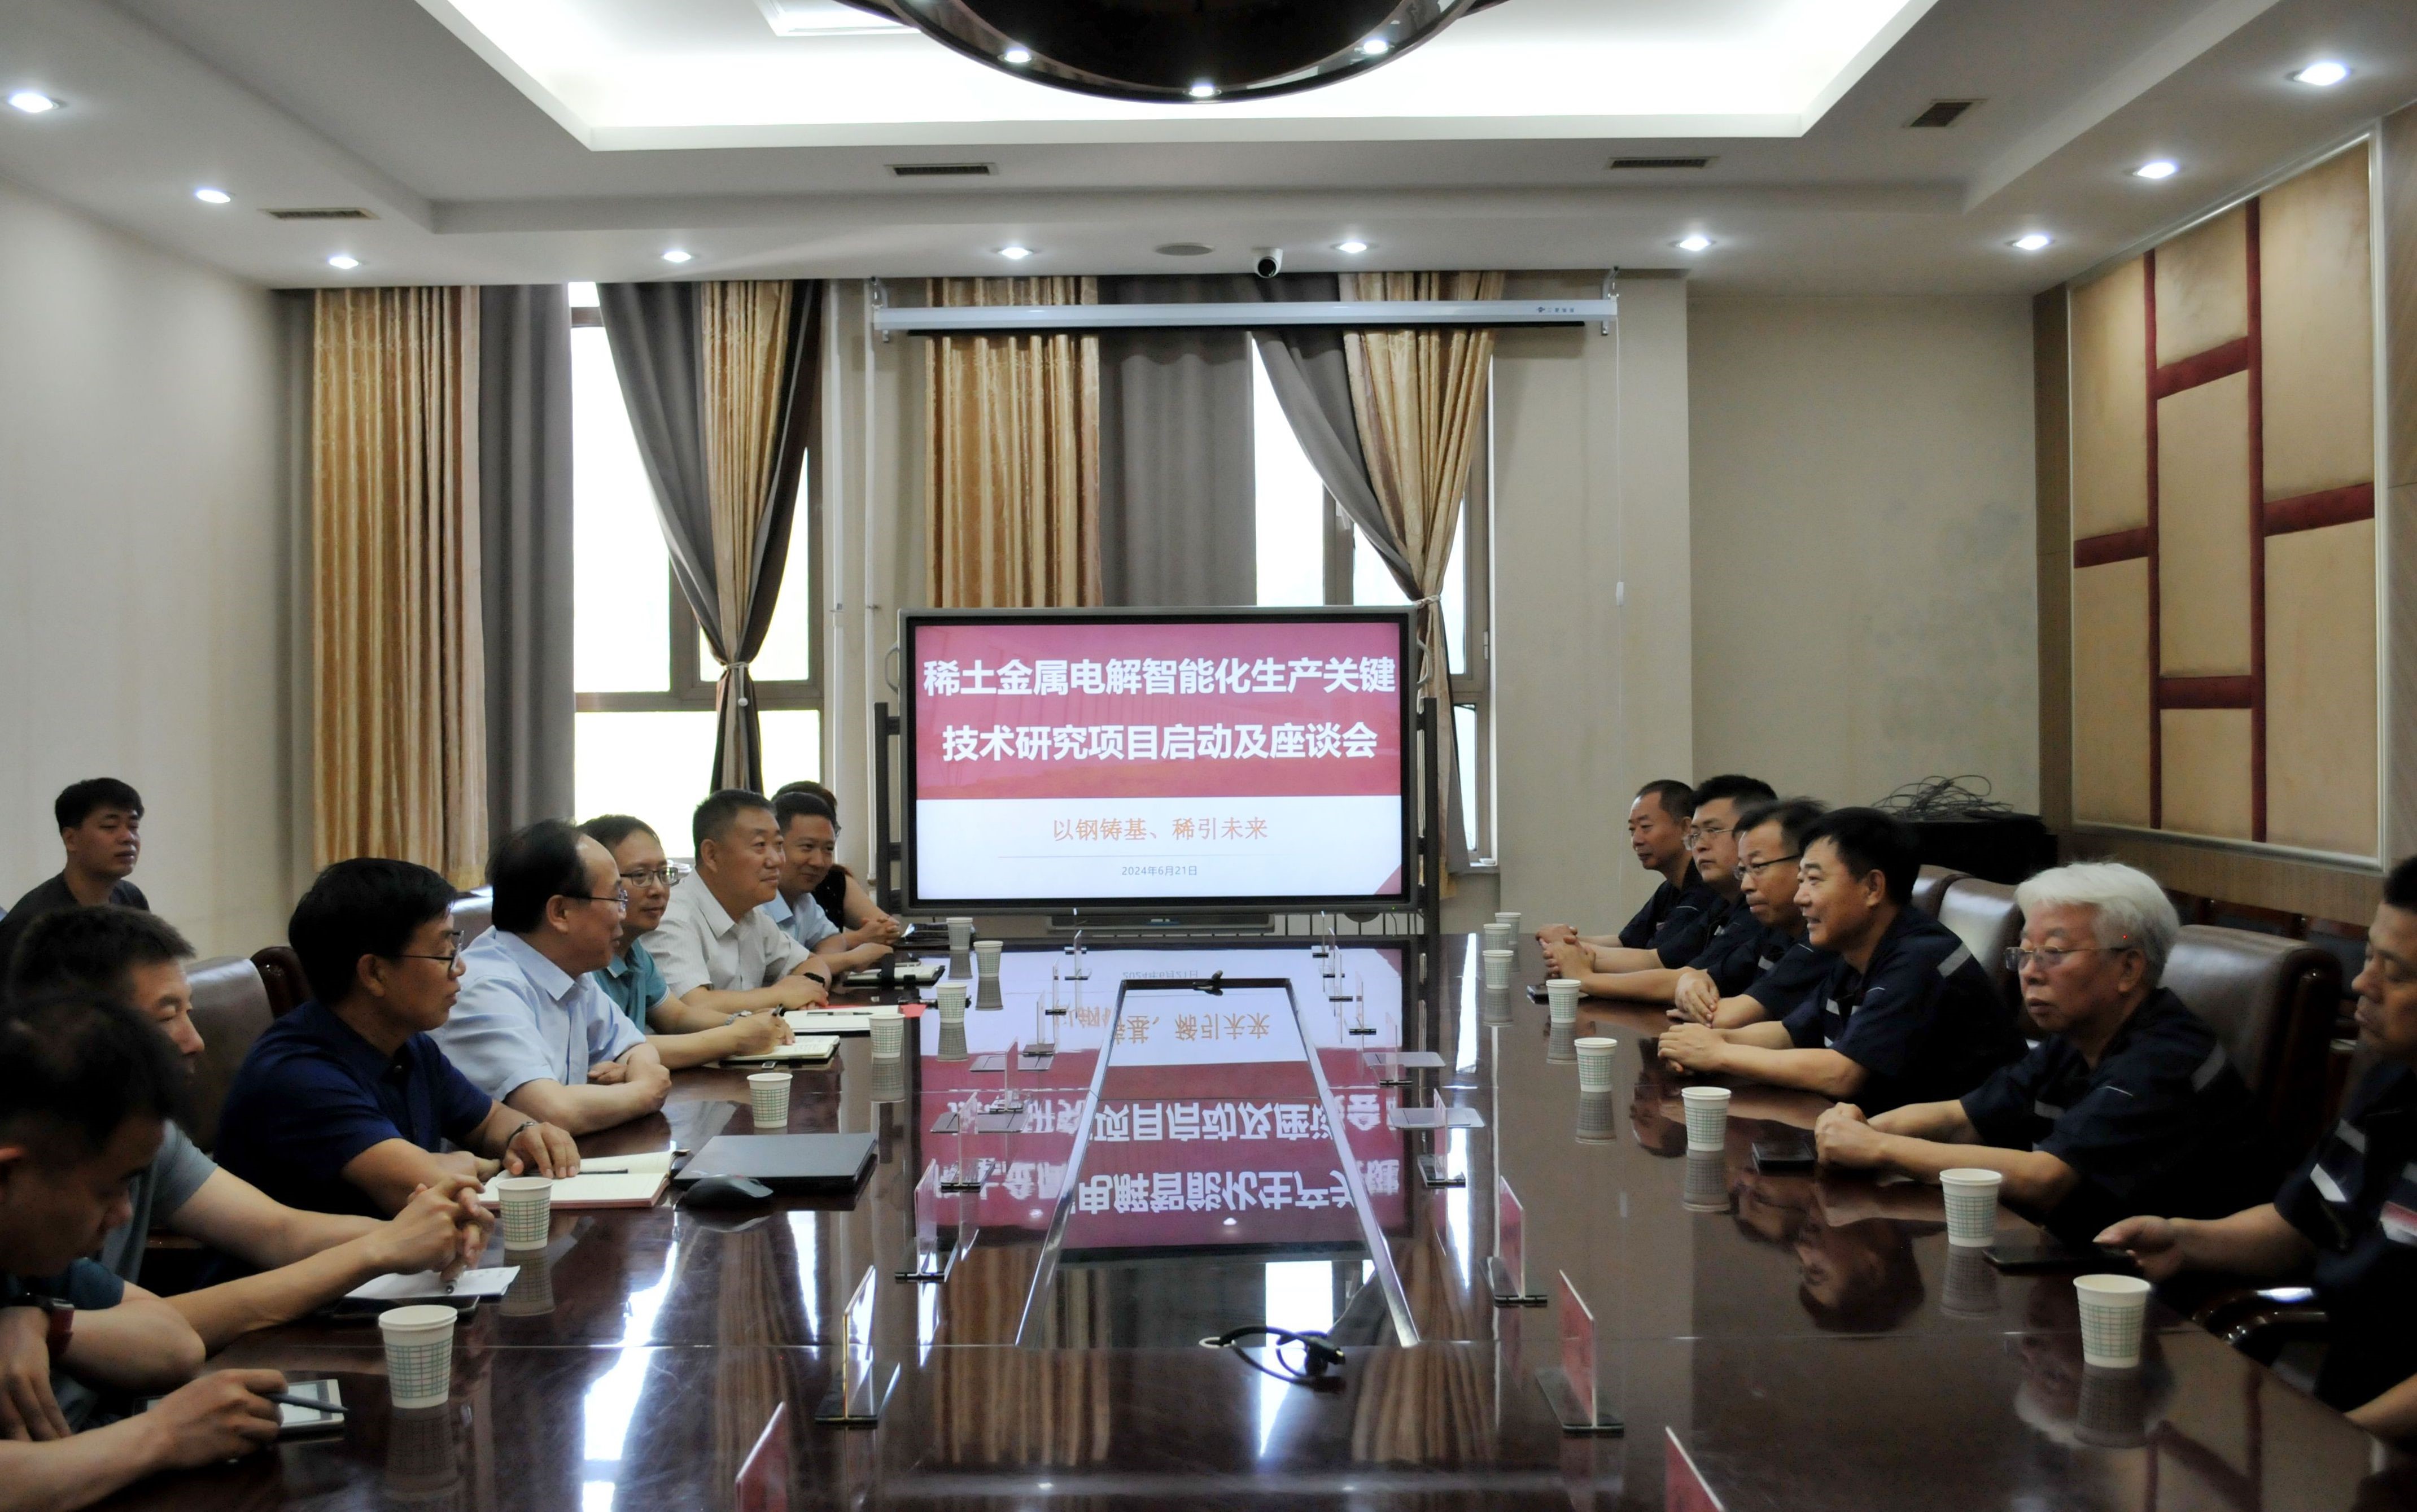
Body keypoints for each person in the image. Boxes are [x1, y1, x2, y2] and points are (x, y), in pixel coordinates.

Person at [6, 908, 491, 1358]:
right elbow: (165, 1331)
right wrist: (379, 1251)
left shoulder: (153, 1136)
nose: (194, 1041)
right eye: (166, 1017)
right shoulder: (36, 1172)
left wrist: (419, 1232)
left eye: (189, 1012)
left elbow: (279, 1231)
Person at [2100, 855, 2417, 1439]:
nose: (2361, 982)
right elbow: (2299, 1226)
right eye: (2369, 955)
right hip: (2348, 1414)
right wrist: (2182, 1240)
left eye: (2394, 972)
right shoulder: (2393, 1082)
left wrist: (2343, 1439)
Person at [1813, 862, 2273, 1244]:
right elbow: (1961, 1117)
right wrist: (1859, 1128)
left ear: (2128, 967)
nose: (2029, 972)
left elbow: (2046, 1180)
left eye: (2052, 952)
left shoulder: (2165, 1056)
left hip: (2170, 1295)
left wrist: (1878, 1149)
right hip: (2075, 1254)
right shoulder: (2076, 1041)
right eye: (2023, 953)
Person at [0, 989, 294, 1507]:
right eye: (108, 1189)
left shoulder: (28, 1256)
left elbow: (175, 1343)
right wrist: (163, 1435)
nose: (124, 1215)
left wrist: (48, 1326)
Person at [214, 859, 580, 1220]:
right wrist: (482, 1164)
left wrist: (524, 1133)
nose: (460, 967)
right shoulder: (299, 1075)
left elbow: (488, 1120)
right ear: (374, 973)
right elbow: (429, 1186)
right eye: (443, 953)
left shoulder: (408, 1043)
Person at [1657, 807, 2022, 1114]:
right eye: (1801, 881)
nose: (1800, 897)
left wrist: (1720, 1054)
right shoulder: (1856, 948)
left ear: (1872, 887)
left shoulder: (1921, 958)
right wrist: (1705, 1041)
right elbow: (1789, 1034)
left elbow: (1842, 1074)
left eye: (1814, 881)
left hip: (1956, 1162)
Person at [432, 823, 673, 1135]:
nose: (623, 915)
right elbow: (551, 1113)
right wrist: (645, 1090)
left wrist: (637, 1074)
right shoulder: (485, 989)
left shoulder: (569, 970)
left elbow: (637, 1048)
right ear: (560, 912)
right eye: (617, 899)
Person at [579, 814, 798, 1068]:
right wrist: (735, 1037)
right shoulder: (582, 959)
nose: (658, 889)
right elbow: (615, 1046)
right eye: (640, 875)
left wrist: (741, 1022)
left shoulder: (634, 950)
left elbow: (676, 1017)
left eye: (663, 873)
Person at [1544, 776, 1776, 1004]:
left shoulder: (1757, 910)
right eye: (1696, 835)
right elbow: (1658, 960)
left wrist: (1583, 975)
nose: (1700, 845)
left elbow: (1677, 976)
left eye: (1713, 830)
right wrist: (1571, 951)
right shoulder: (1724, 902)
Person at [643, 790, 834, 1015]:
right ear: (711, 855)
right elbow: (689, 1006)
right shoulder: (673, 917)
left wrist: (809, 991)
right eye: (760, 845)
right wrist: (780, 994)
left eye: (779, 845)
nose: (776, 860)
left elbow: (812, 963)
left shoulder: (752, 915)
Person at [1671, 797, 1835, 1029]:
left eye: (1758, 867)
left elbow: (1730, 1018)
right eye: (1742, 870)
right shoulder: (1774, 931)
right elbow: (1705, 976)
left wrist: (1694, 1001)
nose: (1746, 885)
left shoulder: (1824, 942)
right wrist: (1690, 981)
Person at [1538, 779, 1719, 974]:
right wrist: (1566, 939)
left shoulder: (1705, 887)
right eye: (1632, 830)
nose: (1636, 840)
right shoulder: (1670, 888)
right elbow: (1625, 942)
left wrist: (1568, 951)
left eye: (1646, 827)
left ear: (1686, 828)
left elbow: (1654, 960)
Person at [0, 780, 148, 978]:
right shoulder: (31, 924)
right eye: (110, 826)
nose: (128, 837)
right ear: (71, 839)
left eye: (133, 826)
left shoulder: (131, 899)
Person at [767, 789, 898, 974]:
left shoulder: (804, 900)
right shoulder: (754, 905)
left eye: (828, 849)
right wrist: (852, 958)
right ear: (776, 846)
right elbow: (781, 970)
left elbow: (831, 940)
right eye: (807, 847)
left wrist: (824, 963)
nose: (819, 862)